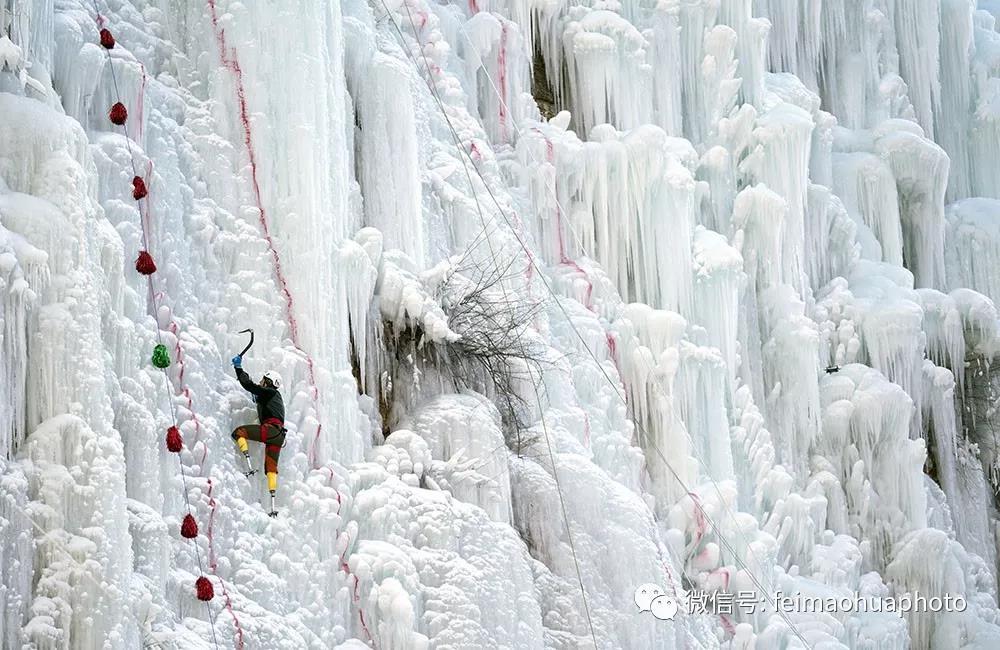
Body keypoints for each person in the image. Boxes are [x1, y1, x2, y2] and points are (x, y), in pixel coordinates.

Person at [230, 354, 285, 517]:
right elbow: (259, 398)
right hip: (279, 436)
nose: (261, 382)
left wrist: (239, 369)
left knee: (239, 432)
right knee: (271, 467)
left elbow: (250, 386)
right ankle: (272, 508)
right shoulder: (275, 397)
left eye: (263, 380)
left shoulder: (270, 392)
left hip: (270, 430)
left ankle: (249, 468)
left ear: (268, 382)